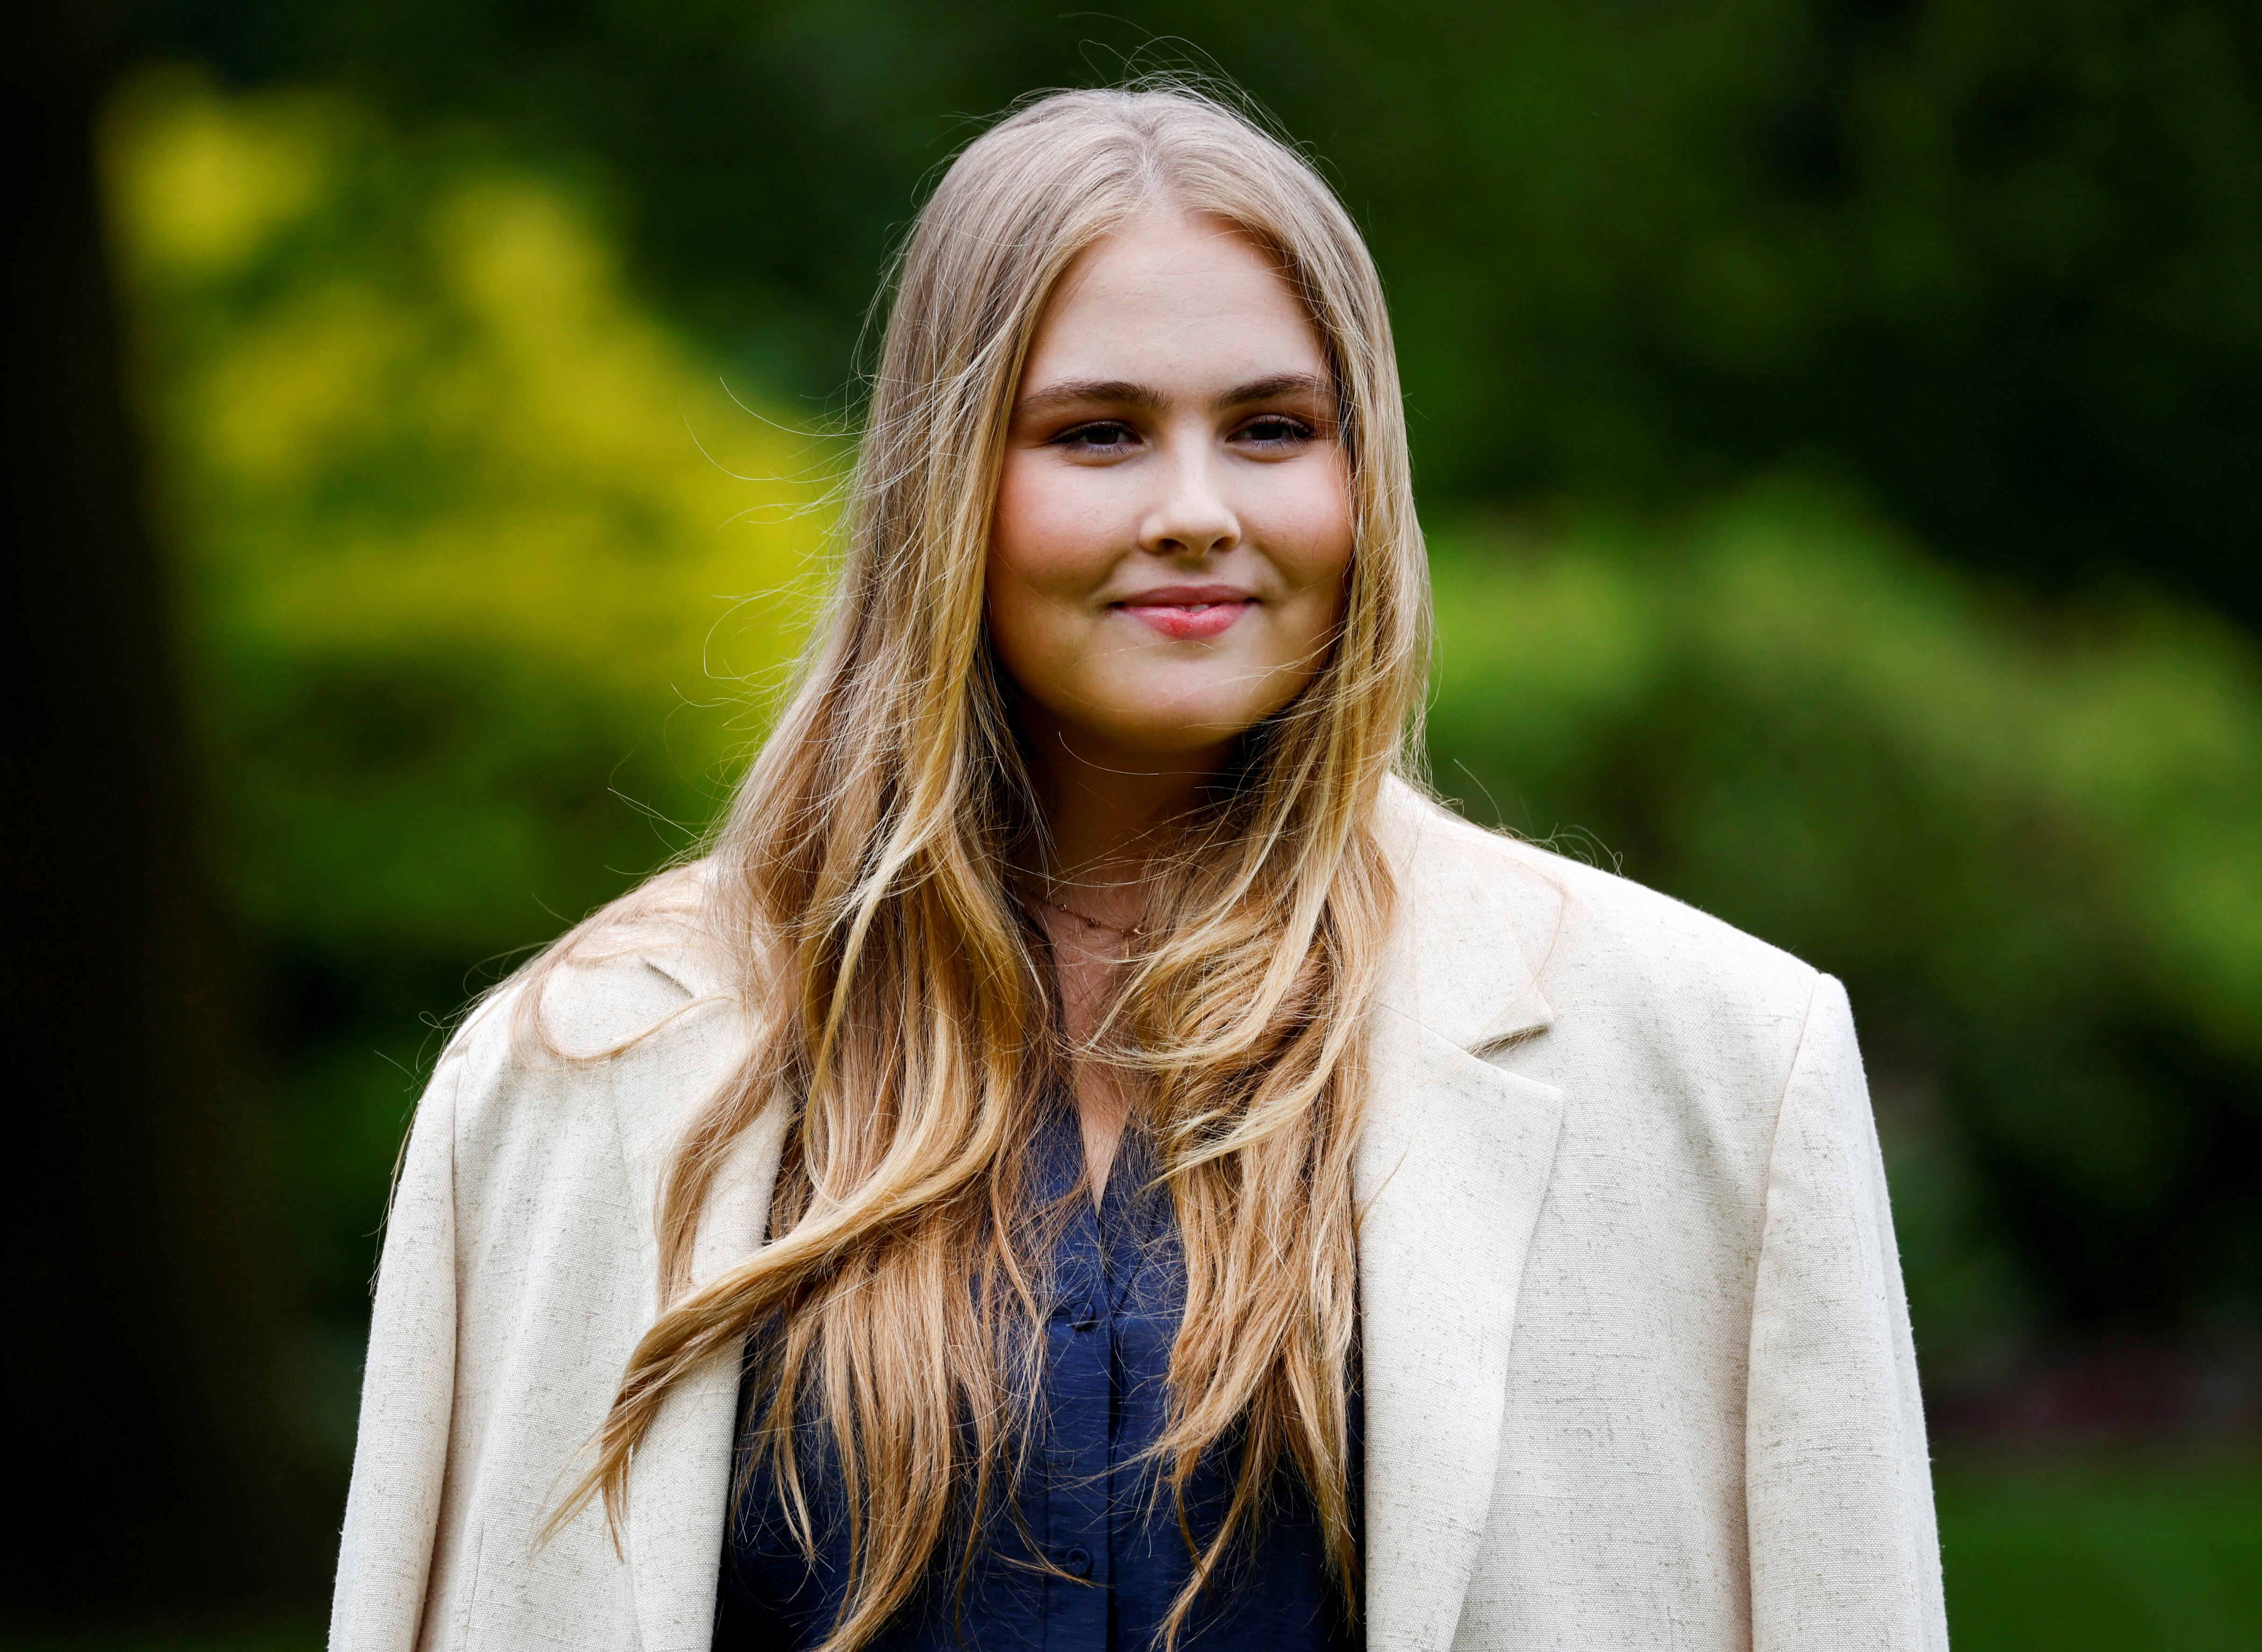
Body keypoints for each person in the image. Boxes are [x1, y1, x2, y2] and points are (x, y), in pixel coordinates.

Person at [327, 84, 1945, 1652]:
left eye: (1271, 429)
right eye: (1097, 434)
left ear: (1363, 475)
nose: (1195, 511)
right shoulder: (575, 1070)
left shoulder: (1722, 1066)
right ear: (946, 485)